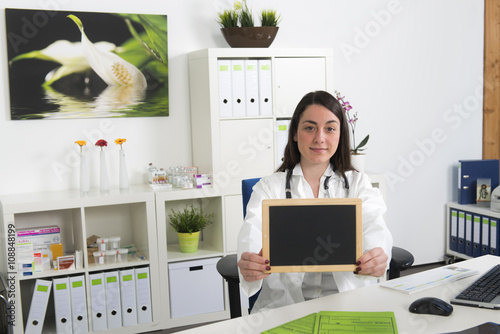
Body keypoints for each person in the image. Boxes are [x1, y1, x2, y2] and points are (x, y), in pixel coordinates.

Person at [237, 90, 393, 313]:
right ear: (294, 134)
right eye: (309, 127)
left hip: (346, 303)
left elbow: (375, 227)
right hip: (285, 306)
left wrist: (377, 256)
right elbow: (251, 232)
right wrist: (250, 263)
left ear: (340, 136)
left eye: (330, 128)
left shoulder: (358, 184)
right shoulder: (270, 187)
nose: (319, 137)